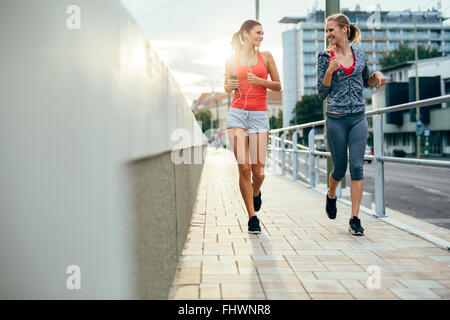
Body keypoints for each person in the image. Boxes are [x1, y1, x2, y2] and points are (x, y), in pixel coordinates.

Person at [316, 13, 386, 235]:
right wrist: (329, 71)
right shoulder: (324, 57)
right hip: (336, 118)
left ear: (344, 29)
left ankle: (355, 218)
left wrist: (376, 74)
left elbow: (366, 80)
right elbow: (321, 92)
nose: (328, 34)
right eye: (326, 31)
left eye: (331, 30)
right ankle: (332, 194)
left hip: (358, 117)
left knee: (356, 167)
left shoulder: (360, 55)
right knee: (339, 168)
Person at [224, 20, 281, 234]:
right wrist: (229, 86)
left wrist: (259, 80)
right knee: (244, 167)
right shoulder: (231, 60)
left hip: (259, 116)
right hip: (237, 114)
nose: (261, 36)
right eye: (258, 32)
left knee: (259, 173)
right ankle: (252, 216)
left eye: (263, 33)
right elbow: (227, 86)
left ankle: (256, 191)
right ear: (246, 34)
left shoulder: (266, 57)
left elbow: (277, 85)